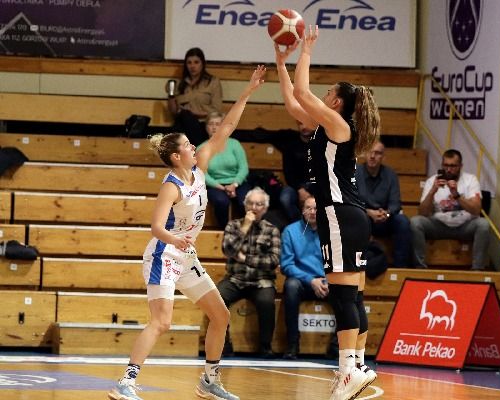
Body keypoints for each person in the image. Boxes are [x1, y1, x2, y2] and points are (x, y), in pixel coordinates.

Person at [108, 65, 266, 400]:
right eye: (188, 145)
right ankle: (126, 382)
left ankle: (209, 381)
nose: (195, 146)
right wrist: (175, 239)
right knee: (161, 322)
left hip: (185, 255)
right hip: (164, 253)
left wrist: (249, 91)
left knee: (220, 315)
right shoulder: (172, 185)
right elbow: (155, 227)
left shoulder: (201, 166)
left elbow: (226, 127)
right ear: (176, 156)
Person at [275, 26, 380, 400]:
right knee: (352, 296)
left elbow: (303, 93)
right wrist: (281, 63)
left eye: (328, 93)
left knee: (342, 297)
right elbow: (294, 103)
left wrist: (306, 50)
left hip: (339, 215)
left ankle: (348, 370)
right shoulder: (327, 125)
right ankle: (358, 367)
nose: (321, 95)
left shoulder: (339, 125)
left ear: (336, 102)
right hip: (350, 216)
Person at [217, 186, 281, 359]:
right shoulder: (233, 226)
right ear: (245, 205)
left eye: (259, 204)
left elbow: (273, 261)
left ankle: (265, 347)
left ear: (265, 208)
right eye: (250, 203)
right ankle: (224, 344)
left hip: (262, 281)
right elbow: (228, 251)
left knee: (267, 302)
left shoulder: (272, 230)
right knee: (217, 298)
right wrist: (244, 227)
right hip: (235, 279)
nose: (254, 207)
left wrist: (245, 259)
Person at [410, 149, 489, 270]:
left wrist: (456, 195)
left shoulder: (470, 180)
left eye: (453, 166)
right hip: (439, 225)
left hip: (465, 226)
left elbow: (476, 210)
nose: (448, 169)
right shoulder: (432, 181)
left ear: (460, 166)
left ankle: (477, 268)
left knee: (483, 224)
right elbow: (422, 212)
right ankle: (419, 267)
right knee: (415, 222)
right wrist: (432, 191)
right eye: (445, 165)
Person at [280, 196, 337, 360]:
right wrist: (311, 280)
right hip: (303, 282)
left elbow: (339, 262)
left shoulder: (333, 231)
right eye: (308, 208)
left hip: (327, 281)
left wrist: (328, 280)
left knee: (346, 288)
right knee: (291, 286)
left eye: (316, 208)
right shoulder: (290, 231)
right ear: (302, 210)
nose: (312, 212)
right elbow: (287, 265)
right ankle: (292, 344)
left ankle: (337, 346)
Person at [232, 120, 314, 225]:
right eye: (301, 123)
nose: (304, 127)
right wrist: (300, 189)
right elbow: (288, 172)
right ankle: (300, 225)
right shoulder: (290, 142)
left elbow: (325, 173)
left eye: (308, 123)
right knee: (285, 198)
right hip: (295, 185)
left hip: (318, 185)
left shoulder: (322, 143)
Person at [355, 140, 413, 267]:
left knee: (403, 222)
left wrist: (386, 214)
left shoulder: (390, 174)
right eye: (370, 152)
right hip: (363, 217)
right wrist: (368, 212)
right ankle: (357, 266)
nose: (372, 156)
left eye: (377, 153)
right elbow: (349, 200)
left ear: (383, 157)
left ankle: (400, 268)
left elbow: (395, 203)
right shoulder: (354, 172)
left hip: (384, 218)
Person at [200, 111, 251, 229]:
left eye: (218, 124)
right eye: (211, 124)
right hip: (215, 185)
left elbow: (244, 167)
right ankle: (224, 230)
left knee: (245, 201)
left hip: (237, 182)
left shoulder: (234, 144)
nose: (214, 127)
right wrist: (221, 187)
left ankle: (245, 230)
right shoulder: (201, 148)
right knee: (221, 201)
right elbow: (202, 173)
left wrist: (234, 185)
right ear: (206, 127)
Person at [168, 47, 224, 147]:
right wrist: (171, 95)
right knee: (182, 119)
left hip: (204, 124)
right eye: (189, 63)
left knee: (185, 118)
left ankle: (196, 149)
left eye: (196, 62)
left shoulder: (212, 82)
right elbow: (174, 112)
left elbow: (217, 110)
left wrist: (196, 113)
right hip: (183, 123)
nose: (192, 66)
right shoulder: (181, 83)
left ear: (202, 64)